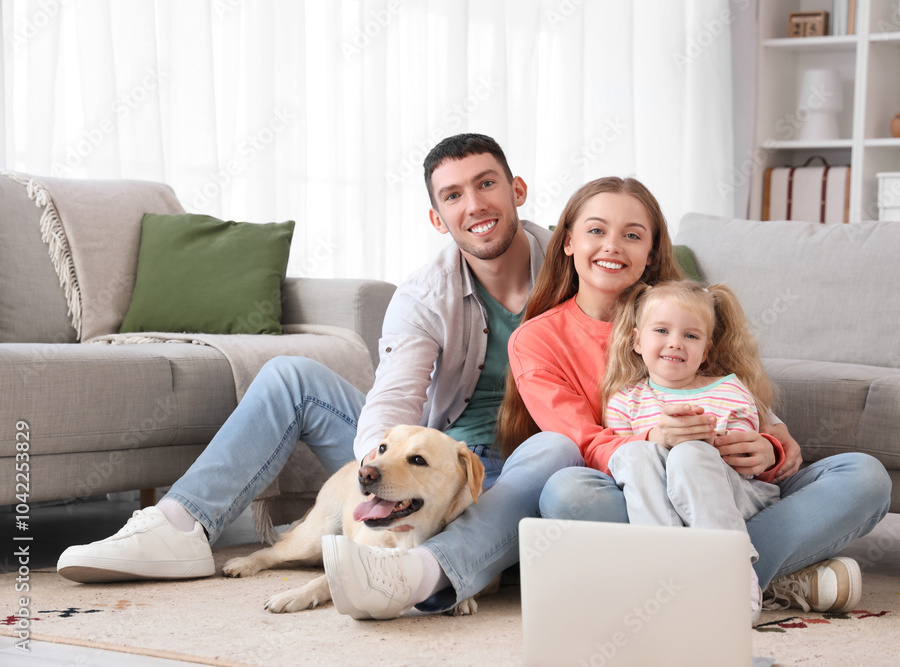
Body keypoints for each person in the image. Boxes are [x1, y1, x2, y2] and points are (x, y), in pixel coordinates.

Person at [57, 133, 584, 619]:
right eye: (453, 196)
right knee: (290, 375)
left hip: (517, 469)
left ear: (517, 189)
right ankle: (180, 524)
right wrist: (385, 483)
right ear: (436, 217)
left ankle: (420, 569)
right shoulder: (425, 293)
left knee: (556, 449)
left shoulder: (575, 265)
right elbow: (394, 402)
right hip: (433, 462)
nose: (474, 206)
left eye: (486, 183)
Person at [497, 176, 892, 616]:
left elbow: (760, 415)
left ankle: (680, 581)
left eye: (632, 235)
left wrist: (769, 448)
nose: (612, 246)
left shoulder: (689, 316)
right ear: (567, 241)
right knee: (566, 493)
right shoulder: (538, 339)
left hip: (733, 486)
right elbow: (585, 441)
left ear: (651, 254)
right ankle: (764, 576)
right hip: (636, 492)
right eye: (596, 230)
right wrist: (652, 438)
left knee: (866, 476)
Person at [601, 279, 783, 623]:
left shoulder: (728, 390)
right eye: (661, 330)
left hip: (730, 495)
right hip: (662, 502)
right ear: (637, 341)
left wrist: (707, 442)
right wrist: (657, 439)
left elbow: (745, 465)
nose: (675, 343)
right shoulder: (626, 401)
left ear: (706, 351)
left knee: (690, 455)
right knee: (632, 455)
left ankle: (732, 579)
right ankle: (662, 576)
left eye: (691, 336)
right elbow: (622, 469)